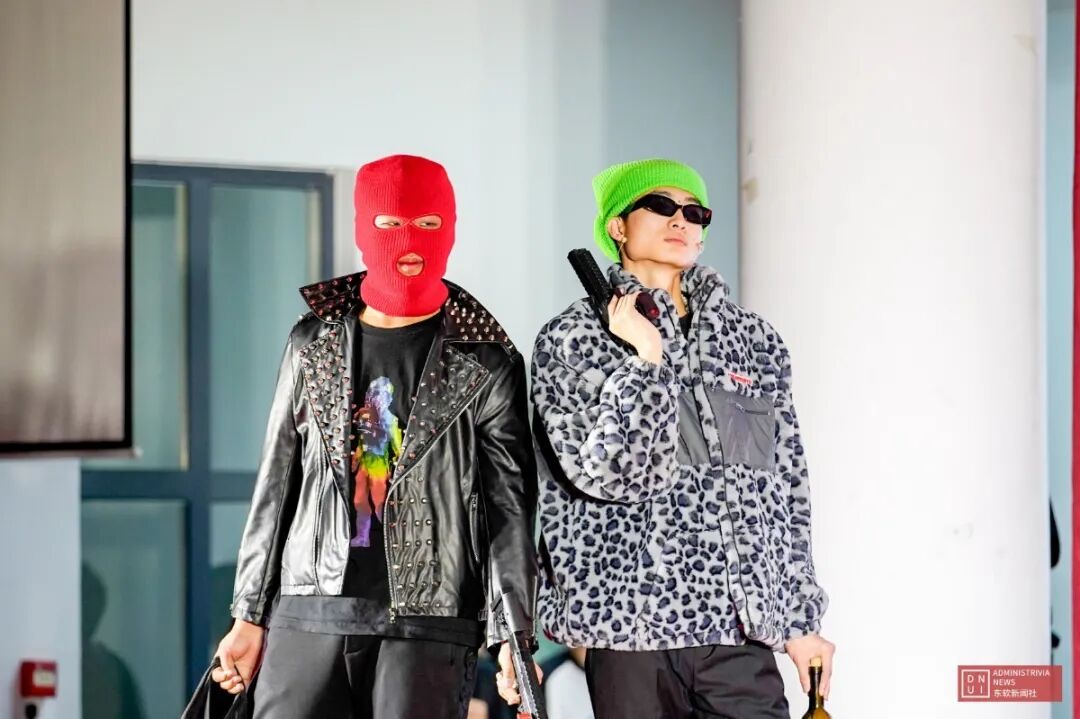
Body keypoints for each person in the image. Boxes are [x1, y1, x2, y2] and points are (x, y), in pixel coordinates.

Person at [211, 154, 538, 719]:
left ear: (450, 228)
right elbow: (276, 484)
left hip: (430, 620)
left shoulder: (487, 359)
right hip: (308, 607)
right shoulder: (311, 342)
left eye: (428, 223)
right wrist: (248, 614)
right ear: (364, 229)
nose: (409, 240)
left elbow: (508, 511)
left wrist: (514, 634)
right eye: (390, 224)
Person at [523, 159, 834, 718]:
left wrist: (800, 622)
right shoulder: (572, 339)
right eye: (661, 206)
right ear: (617, 226)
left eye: (695, 212)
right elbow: (612, 475)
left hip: (737, 630)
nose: (681, 221)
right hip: (629, 631)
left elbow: (786, 490)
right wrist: (646, 358)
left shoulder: (754, 340)